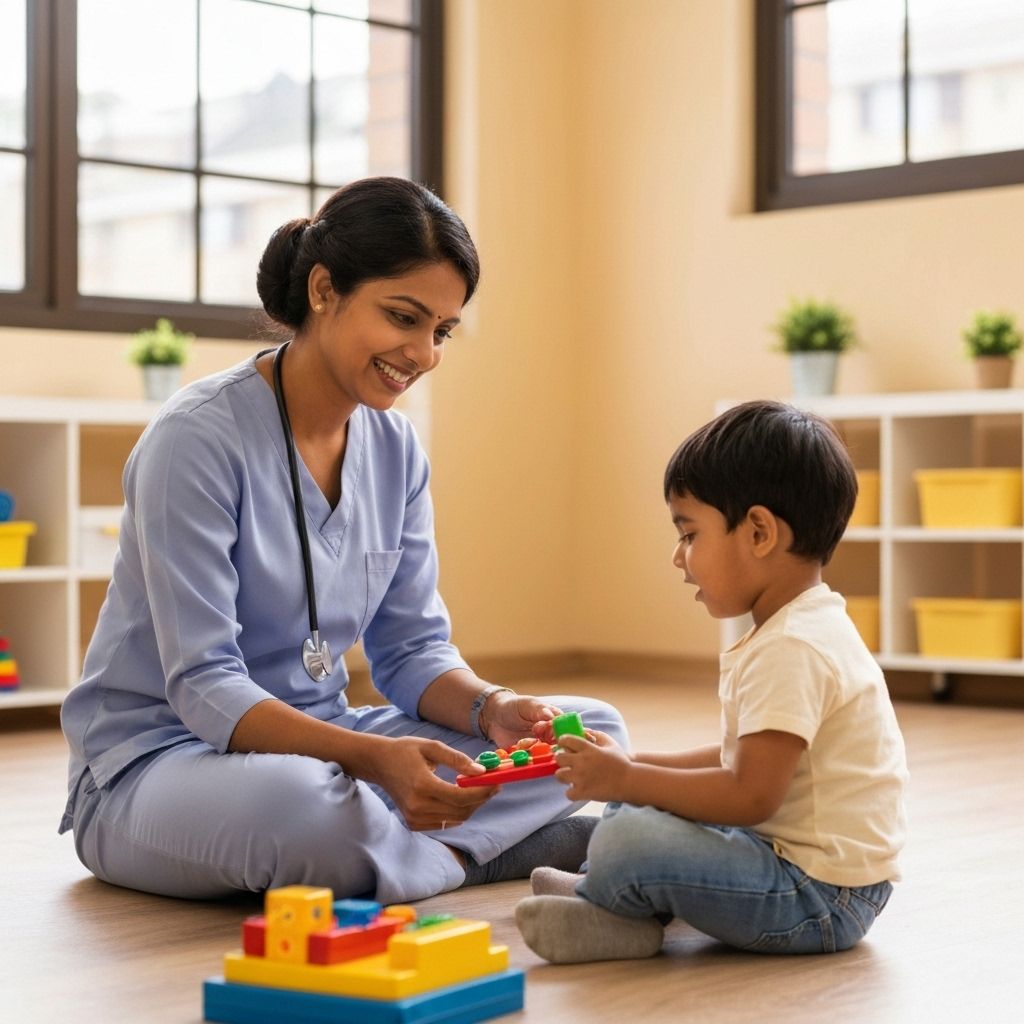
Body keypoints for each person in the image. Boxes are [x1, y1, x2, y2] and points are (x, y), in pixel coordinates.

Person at [59, 176, 626, 904]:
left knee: (592, 734)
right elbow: (204, 687)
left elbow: (412, 651)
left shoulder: (396, 449)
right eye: (403, 317)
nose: (423, 353)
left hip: (331, 748)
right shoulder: (194, 440)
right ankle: (473, 858)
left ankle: (386, 854)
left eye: (442, 331)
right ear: (324, 289)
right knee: (302, 808)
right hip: (160, 765)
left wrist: (491, 707)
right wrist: (372, 759)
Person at [516, 400, 908, 962]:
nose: (679, 557)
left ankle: (611, 910)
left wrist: (629, 778)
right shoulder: (797, 627)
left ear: (758, 532)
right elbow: (737, 759)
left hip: (820, 899)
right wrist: (632, 770)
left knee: (632, 828)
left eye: (690, 534)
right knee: (630, 809)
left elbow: (748, 794)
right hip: (798, 867)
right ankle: (607, 889)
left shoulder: (794, 647)